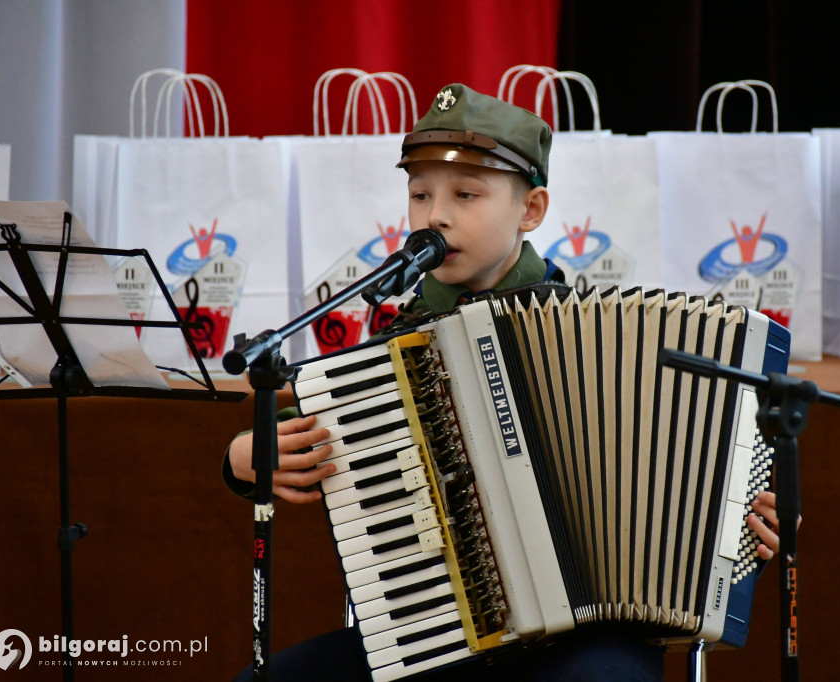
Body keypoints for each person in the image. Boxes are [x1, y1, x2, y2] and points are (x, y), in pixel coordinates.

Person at [224, 83, 792, 681]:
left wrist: (747, 516)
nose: (435, 215)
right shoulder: (400, 339)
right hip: (433, 633)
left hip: (591, 641)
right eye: (419, 195)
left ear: (531, 210)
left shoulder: (602, 336)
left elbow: (708, 474)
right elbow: (323, 430)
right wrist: (247, 456)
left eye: (466, 194)